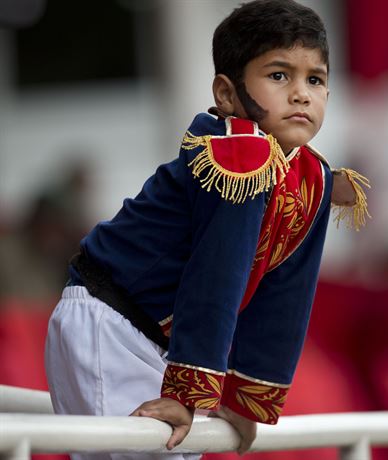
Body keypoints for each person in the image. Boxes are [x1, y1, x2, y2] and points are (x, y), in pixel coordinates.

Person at [44, 1, 369, 458]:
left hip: (166, 344)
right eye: (279, 76)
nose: (301, 94)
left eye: (314, 79)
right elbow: (216, 275)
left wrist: (245, 402)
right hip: (111, 319)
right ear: (227, 93)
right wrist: (187, 394)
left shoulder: (312, 178)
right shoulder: (235, 153)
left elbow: (285, 299)